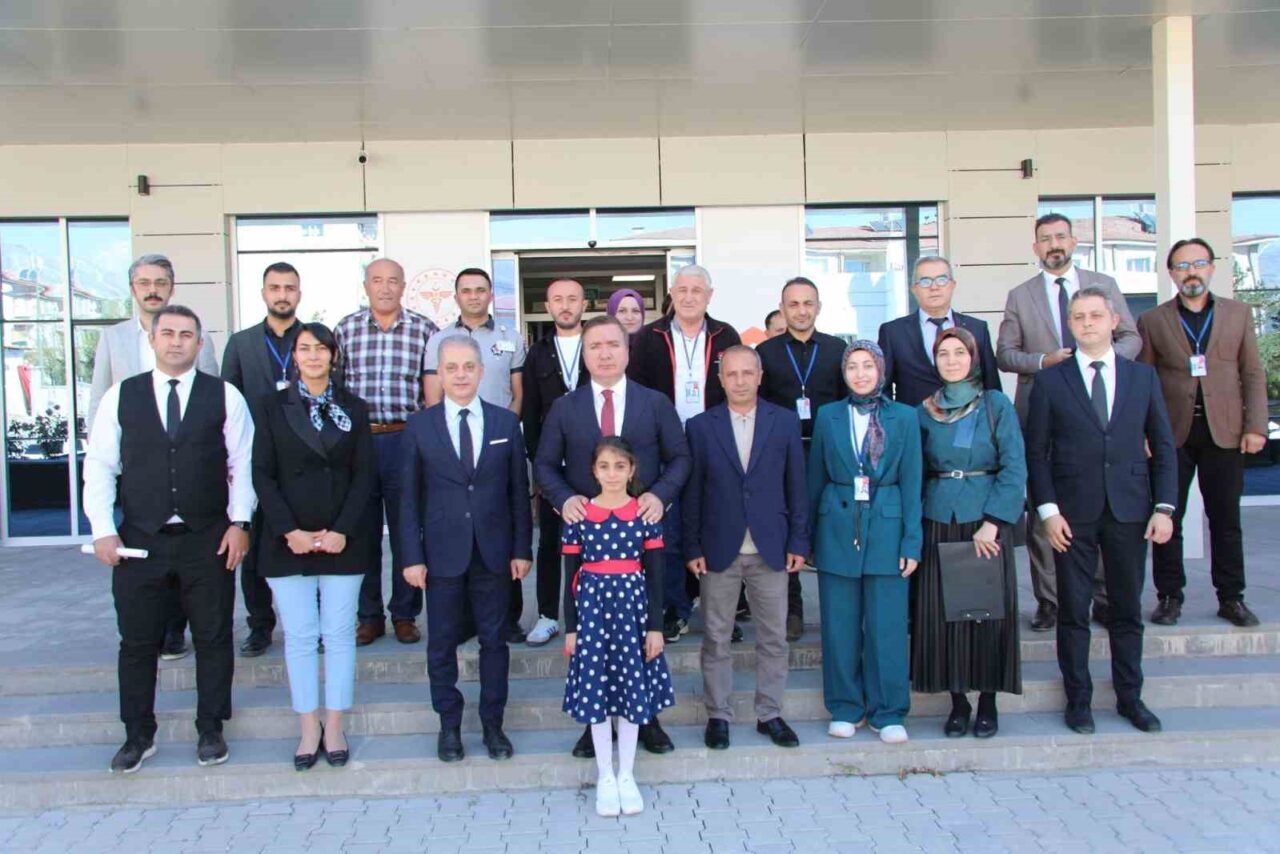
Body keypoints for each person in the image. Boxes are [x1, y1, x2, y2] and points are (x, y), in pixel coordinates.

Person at [83, 305, 254, 773]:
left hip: (208, 538)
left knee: (213, 636)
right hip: (140, 542)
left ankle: (211, 728)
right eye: (168, 333)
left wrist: (240, 523)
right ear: (153, 340)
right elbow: (100, 464)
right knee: (137, 642)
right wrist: (103, 529)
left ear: (199, 344)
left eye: (186, 335)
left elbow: (242, 463)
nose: (176, 341)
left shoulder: (225, 396)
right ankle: (138, 734)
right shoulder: (122, 396)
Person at [535, 315, 690, 758]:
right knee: (595, 644)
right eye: (594, 346)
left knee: (641, 635)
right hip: (591, 545)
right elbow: (544, 465)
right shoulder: (565, 407)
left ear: (627, 351)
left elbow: (680, 457)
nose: (604, 354)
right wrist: (565, 498)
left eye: (612, 345)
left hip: (640, 538)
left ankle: (647, 719)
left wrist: (659, 495)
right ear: (584, 355)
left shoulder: (654, 403)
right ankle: (595, 723)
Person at [1026, 287, 1176, 735]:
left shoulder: (1142, 378)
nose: (1087, 323)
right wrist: (1048, 511)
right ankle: (1079, 701)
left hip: (1130, 510)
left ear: (1114, 321)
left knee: (1126, 609)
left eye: (1095, 315)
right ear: (1069, 324)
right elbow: (1037, 453)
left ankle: (1131, 697)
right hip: (1071, 515)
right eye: (1078, 317)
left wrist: (1164, 508)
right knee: (1073, 611)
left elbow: (1163, 446)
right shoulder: (1051, 381)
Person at [997, 213, 1141, 633]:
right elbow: (1005, 354)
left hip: (1101, 412)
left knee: (1101, 502)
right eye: (1045, 239)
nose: (1053, 244)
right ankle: (1050, 600)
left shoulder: (1104, 285)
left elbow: (1132, 338)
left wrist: (1098, 363)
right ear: (1035, 248)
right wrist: (1046, 362)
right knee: (1045, 506)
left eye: (1060, 236)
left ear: (1074, 242)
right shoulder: (1020, 295)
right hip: (1043, 413)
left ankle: (1102, 596)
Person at [400, 336, 532, 762]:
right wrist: (411, 557)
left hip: (494, 554)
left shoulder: (504, 424)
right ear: (438, 373)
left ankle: (493, 725)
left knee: (494, 642)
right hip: (441, 556)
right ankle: (449, 726)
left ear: (481, 371)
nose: (460, 375)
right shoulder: (420, 426)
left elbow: (518, 492)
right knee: (441, 643)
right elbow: (408, 499)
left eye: (468, 367)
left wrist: (522, 549)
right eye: (451, 368)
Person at [250, 323, 373, 770]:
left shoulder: (354, 408)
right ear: (295, 357)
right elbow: (261, 473)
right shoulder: (270, 406)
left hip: (343, 539)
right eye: (305, 349)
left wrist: (342, 529)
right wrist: (290, 530)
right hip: (289, 541)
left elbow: (365, 474)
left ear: (334, 355)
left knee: (338, 635)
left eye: (322, 348)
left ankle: (335, 724)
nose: (314, 356)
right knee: (301, 637)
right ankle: (308, 727)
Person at [88, 254, 220, 661]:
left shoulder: (198, 337)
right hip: (138, 464)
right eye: (144, 282)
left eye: (160, 282)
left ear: (171, 287)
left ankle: (175, 630)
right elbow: (99, 399)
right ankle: (151, 627)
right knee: (146, 548)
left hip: (188, 465)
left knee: (184, 544)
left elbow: (211, 400)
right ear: (133, 288)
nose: (152, 289)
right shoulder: (114, 338)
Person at [1138, 238, 1269, 628]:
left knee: (1225, 519)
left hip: (1224, 432)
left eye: (1197, 263)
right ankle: (1169, 596)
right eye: (1181, 266)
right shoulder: (1153, 320)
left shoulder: (1238, 314)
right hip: (1170, 435)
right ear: (1170, 273)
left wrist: (1256, 426)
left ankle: (1231, 597)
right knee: (1167, 518)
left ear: (1211, 267)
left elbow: (1252, 373)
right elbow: (1144, 382)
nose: (1190, 272)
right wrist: (1143, 433)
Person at [683, 346, 808, 751]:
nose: (739, 381)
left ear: (759, 376)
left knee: (773, 637)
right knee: (716, 637)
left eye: (746, 373)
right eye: (731, 374)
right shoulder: (701, 427)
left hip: (771, 547)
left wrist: (798, 540)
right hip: (719, 549)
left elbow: (797, 486)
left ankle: (769, 713)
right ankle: (718, 714)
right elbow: (692, 492)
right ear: (720, 379)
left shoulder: (784, 422)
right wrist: (692, 545)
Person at [913, 327, 1026, 739]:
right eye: (944, 354)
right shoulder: (923, 411)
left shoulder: (995, 404)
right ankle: (958, 702)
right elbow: (915, 469)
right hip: (939, 519)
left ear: (974, 358)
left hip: (985, 523)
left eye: (959, 352)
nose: (952, 360)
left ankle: (988, 702)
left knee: (985, 615)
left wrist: (994, 522)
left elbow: (1014, 466)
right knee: (946, 616)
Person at [808, 340, 922, 744]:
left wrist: (912, 542)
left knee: (886, 625)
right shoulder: (828, 415)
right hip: (837, 526)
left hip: (888, 527)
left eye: (867, 366)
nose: (860, 374)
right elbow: (815, 477)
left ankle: (888, 710)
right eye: (852, 366)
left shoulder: (905, 417)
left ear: (881, 371)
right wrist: (809, 538)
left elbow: (912, 481)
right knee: (839, 625)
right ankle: (845, 706)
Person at [561, 437, 674, 818]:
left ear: (632, 470)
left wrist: (655, 627)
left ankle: (627, 774)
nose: (612, 474)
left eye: (620, 466)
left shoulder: (645, 515)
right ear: (594, 471)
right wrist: (572, 628)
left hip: (632, 616)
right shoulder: (579, 517)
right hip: (592, 615)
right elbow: (570, 578)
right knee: (597, 696)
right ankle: (605, 776)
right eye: (604, 466)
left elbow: (655, 576)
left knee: (630, 694)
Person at [628, 264, 741, 642]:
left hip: (715, 442)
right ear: (672, 295)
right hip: (666, 447)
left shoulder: (727, 336)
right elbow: (637, 395)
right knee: (671, 533)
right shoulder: (648, 338)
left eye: (697, 290)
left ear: (710, 295)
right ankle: (674, 609)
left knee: (718, 528)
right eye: (682, 290)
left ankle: (719, 614)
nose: (689, 297)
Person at [333, 258, 439, 646]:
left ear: (403, 286)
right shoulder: (345, 329)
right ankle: (369, 616)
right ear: (366, 286)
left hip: (405, 438)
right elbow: (335, 388)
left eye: (393, 281)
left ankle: (405, 614)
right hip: (359, 441)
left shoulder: (425, 330)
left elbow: (433, 391)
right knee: (361, 533)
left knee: (407, 528)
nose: (385, 287)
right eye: (377, 280)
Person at [424, 267, 528, 642]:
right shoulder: (438, 339)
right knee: (460, 533)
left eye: (480, 290)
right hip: (453, 446)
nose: (473, 296)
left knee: (501, 529)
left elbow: (518, 392)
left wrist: (503, 433)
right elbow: (432, 396)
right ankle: (465, 620)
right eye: (466, 290)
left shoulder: (510, 337)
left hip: (497, 446)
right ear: (457, 296)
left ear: (490, 295)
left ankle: (508, 619)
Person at [220, 261, 303, 657]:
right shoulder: (241, 343)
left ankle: (309, 624)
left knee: (306, 544)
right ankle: (259, 625)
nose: (282, 295)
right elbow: (227, 402)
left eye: (289, 288)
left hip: (303, 459)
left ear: (298, 293)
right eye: (275, 288)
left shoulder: (314, 338)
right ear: (264, 293)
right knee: (253, 550)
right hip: (254, 459)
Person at [757, 277, 846, 642]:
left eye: (808, 303)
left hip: (827, 452)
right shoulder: (765, 353)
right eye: (793, 304)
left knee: (831, 528)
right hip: (782, 453)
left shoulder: (838, 349)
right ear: (782, 308)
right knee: (787, 529)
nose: (801, 310)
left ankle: (837, 609)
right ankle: (792, 610)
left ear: (818, 307)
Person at [522, 279, 591, 648]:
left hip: (594, 465)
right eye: (558, 300)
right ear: (548, 307)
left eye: (573, 299)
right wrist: (539, 467)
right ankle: (548, 615)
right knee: (549, 542)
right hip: (552, 467)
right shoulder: (537, 353)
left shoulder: (596, 344)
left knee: (593, 544)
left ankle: (587, 616)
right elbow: (530, 413)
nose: (566, 305)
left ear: (584, 305)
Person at [878, 255, 1000, 407]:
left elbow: (992, 386)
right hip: (914, 419)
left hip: (968, 418)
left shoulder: (977, 329)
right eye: (925, 281)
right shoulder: (893, 332)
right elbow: (882, 390)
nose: (934, 287)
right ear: (914, 289)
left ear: (952, 285)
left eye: (941, 280)